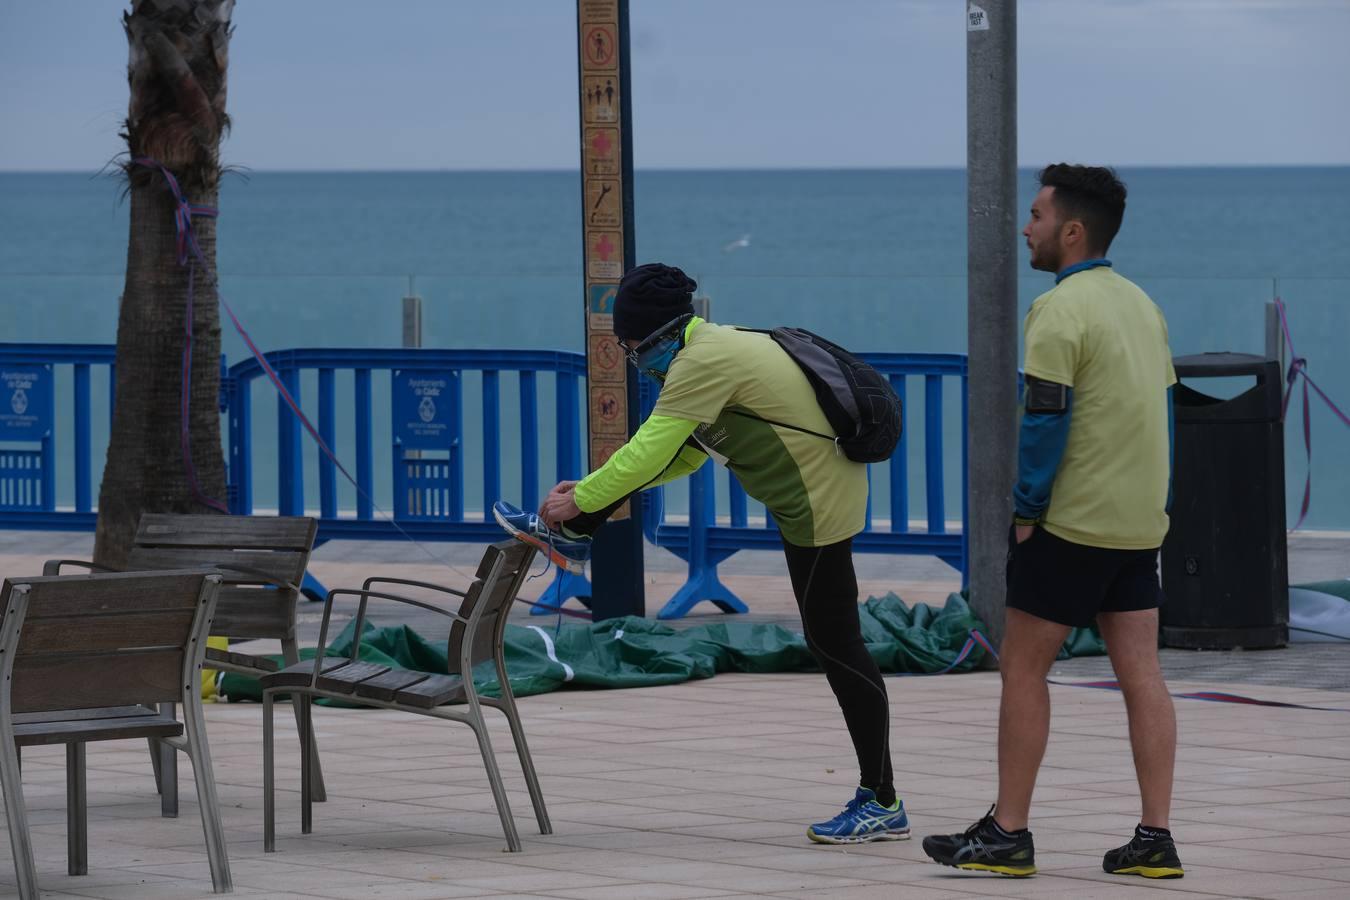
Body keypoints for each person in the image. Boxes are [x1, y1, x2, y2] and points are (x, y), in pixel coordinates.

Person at [493, 262, 909, 844]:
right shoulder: (705, 349)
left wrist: (579, 498)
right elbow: (680, 455)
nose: (634, 358)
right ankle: (573, 535)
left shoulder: (702, 361)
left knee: (835, 643)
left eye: (632, 346)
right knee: (834, 640)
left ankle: (882, 800)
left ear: (657, 334)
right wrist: (583, 499)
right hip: (812, 493)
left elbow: (646, 452)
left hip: (818, 500)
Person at [922, 164, 1182, 878]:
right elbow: (1165, 413)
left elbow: (1044, 416)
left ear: (1071, 231)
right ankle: (1155, 839)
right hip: (1137, 523)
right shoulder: (1142, 305)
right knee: (1143, 675)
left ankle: (1009, 833)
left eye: (1035, 215)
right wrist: (1158, 503)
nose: (1025, 227)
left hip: (1070, 522)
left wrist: (1028, 511)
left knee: (1024, 669)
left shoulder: (1059, 311)